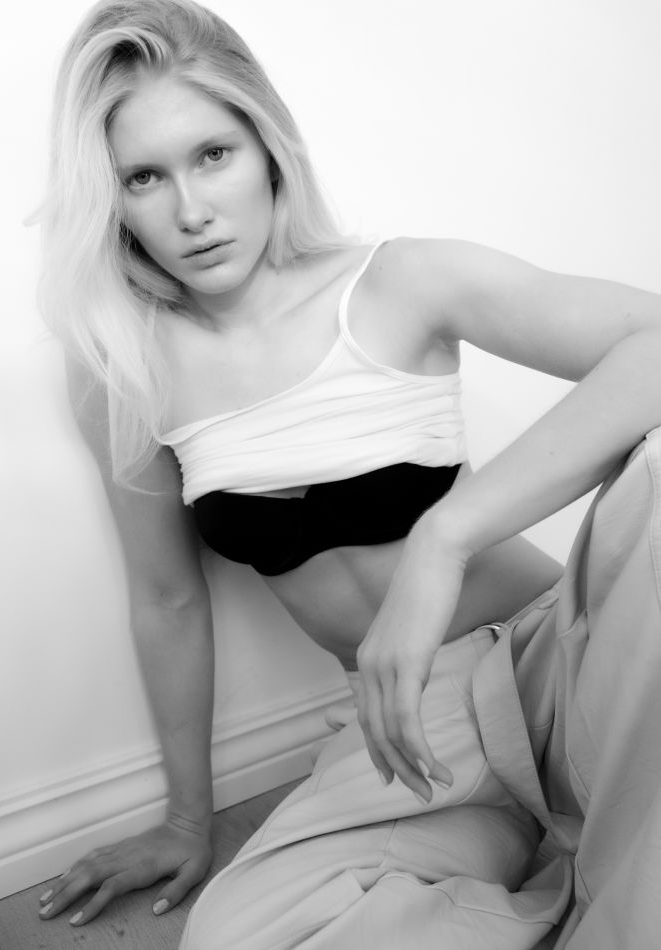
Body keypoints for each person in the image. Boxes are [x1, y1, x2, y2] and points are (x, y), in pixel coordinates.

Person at [35, 0, 661, 941]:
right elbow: (167, 600)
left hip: (563, 667)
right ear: (110, 197)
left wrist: (444, 539)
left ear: (268, 146)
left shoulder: (401, 281)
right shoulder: (120, 366)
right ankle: (583, 856)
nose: (191, 211)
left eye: (214, 154)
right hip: (413, 731)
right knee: (239, 932)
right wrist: (187, 821)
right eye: (144, 177)